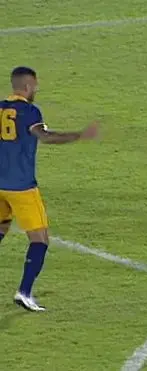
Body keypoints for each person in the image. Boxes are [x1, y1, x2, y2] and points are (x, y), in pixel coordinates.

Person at [0, 66, 98, 312]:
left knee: (2, 227)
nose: (36, 90)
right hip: (21, 187)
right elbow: (45, 137)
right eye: (35, 86)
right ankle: (24, 292)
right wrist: (80, 135)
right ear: (27, 86)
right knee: (40, 239)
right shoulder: (29, 111)